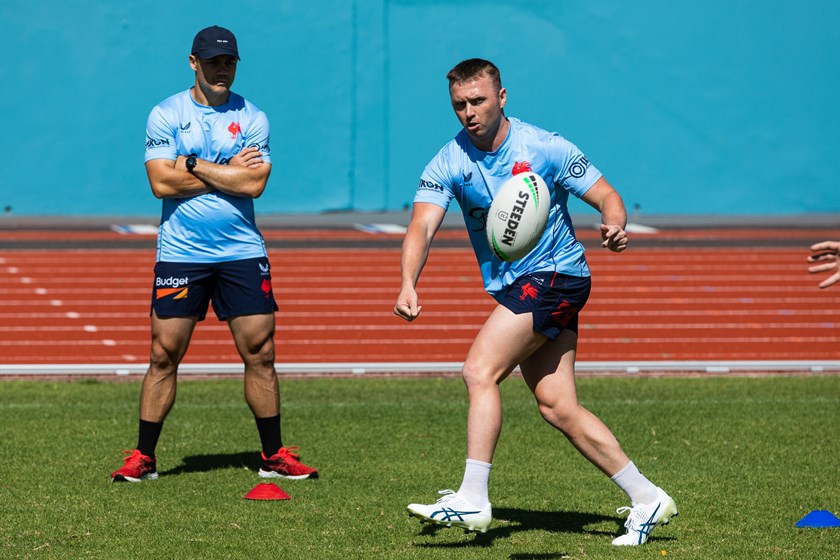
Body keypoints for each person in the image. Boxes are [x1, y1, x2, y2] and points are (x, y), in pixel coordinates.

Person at [394, 59, 676, 546]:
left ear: (502, 98)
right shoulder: (448, 161)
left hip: (557, 276)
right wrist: (407, 282)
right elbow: (421, 225)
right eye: (459, 104)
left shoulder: (544, 146)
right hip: (518, 284)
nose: (468, 112)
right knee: (558, 406)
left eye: (478, 101)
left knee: (479, 370)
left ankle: (473, 498)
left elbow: (607, 194)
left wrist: (614, 224)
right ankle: (648, 498)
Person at [111, 25, 317, 483]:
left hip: (241, 251)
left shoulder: (254, 117)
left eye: (228, 62)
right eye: (212, 63)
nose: (221, 70)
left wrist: (188, 162)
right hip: (181, 252)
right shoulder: (166, 113)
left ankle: (272, 455)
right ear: (193, 63)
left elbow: (255, 184)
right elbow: (160, 183)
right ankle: (144, 457)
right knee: (164, 354)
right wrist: (226, 170)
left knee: (260, 352)